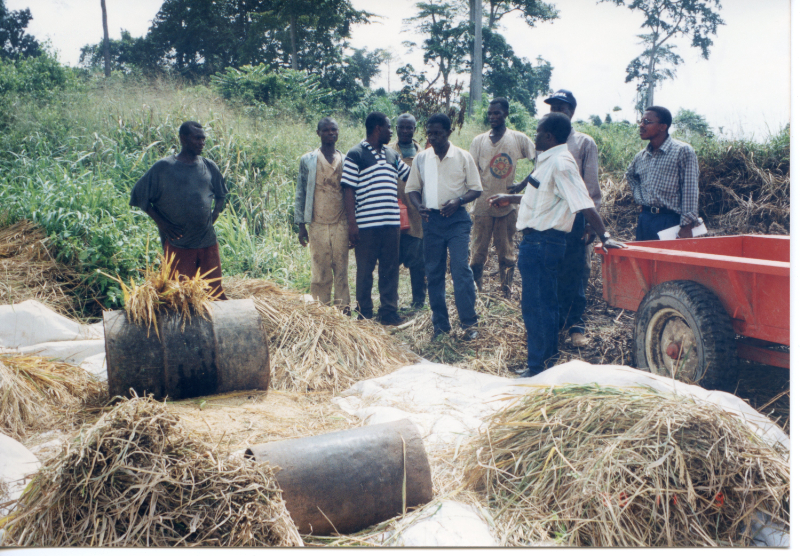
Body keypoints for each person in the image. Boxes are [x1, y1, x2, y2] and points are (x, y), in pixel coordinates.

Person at [488, 113, 625, 377]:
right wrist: (510, 197)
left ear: (549, 136)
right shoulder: (548, 161)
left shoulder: (561, 163)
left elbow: (582, 201)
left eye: (538, 132)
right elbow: (544, 197)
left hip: (543, 242)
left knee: (536, 305)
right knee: (544, 304)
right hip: (538, 241)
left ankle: (538, 366)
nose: (535, 136)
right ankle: (545, 364)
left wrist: (604, 235)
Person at [130, 120, 229, 299]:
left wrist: (214, 215)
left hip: (207, 242)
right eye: (196, 138)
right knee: (179, 296)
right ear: (183, 139)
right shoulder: (164, 167)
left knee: (213, 292)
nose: (201, 143)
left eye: (203, 139)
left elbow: (221, 195)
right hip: (179, 243)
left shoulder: (208, 166)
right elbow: (139, 195)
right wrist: (162, 223)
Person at [406, 113, 483, 341]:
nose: (433, 137)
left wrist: (458, 200)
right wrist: (419, 206)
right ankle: (440, 325)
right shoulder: (422, 158)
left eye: (438, 133)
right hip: (432, 221)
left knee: (460, 269)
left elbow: (476, 189)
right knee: (434, 272)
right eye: (430, 133)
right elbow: (412, 189)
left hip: (457, 219)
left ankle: (469, 323)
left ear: (449, 132)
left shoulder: (462, 156)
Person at [341, 112, 411, 326]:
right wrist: (352, 224)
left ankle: (389, 312)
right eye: (390, 127)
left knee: (389, 269)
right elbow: (348, 190)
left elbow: (411, 176)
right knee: (365, 271)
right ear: (378, 128)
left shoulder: (392, 154)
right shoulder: (355, 154)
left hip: (391, 224)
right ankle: (364, 313)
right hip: (366, 226)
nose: (392, 132)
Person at [543, 89, 601, 348]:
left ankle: (576, 325)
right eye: (552, 107)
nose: (556, 111)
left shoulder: (584, 143)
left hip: (577, 217)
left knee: (576, 271)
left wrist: (591, 222)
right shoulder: (545, 141)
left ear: (572, 112)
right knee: (552, 270)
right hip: (551, 217)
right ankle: (554, 323)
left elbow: (591, 185)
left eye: (561, 107)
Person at [468, 97, 536, 297]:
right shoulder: (479, 141)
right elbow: (471, 170)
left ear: (506, 114)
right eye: (490, 113)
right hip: (482, 204)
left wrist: (523, 184)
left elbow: (540, 162)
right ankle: (476, 291)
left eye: (497, 113)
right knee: (477, 252)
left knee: (506, 252)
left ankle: (505, 292)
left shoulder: (518, 138)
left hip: (507, 204)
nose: (493, 117)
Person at [294, 117, 350, 314]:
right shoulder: (308, 160)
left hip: (341, 221)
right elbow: (300, 191)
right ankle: (320, 310)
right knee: (320, 267)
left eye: (334, 130)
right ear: (318, 133)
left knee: (341, 266)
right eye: (326, 130)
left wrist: (353, 224)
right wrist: (301, 224)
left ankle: (343, 309)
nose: (331, 133)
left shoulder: (345, 159)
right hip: (316, 222)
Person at [626, 106, 700, 241]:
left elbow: (690, 189)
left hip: (671, 221)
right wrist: (640, 198)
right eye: (641, 121)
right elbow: (630, 175)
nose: (641, 126)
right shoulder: (641, 156)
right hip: (646, 219)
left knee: (668, 262)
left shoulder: (682, 151)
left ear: (662, 127)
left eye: (647, 122)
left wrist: (686, 225)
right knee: (644, 261)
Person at [388, 113, 427, 309]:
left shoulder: (423, 153)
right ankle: (391, 302)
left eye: (409, 128)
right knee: (391, 260)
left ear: (414, 129)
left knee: (417, 261)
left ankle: (418, 301)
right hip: (392, 212)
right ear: (396, 129)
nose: (405, 131)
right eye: (401, 127)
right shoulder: (388, 150)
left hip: (415, 213)